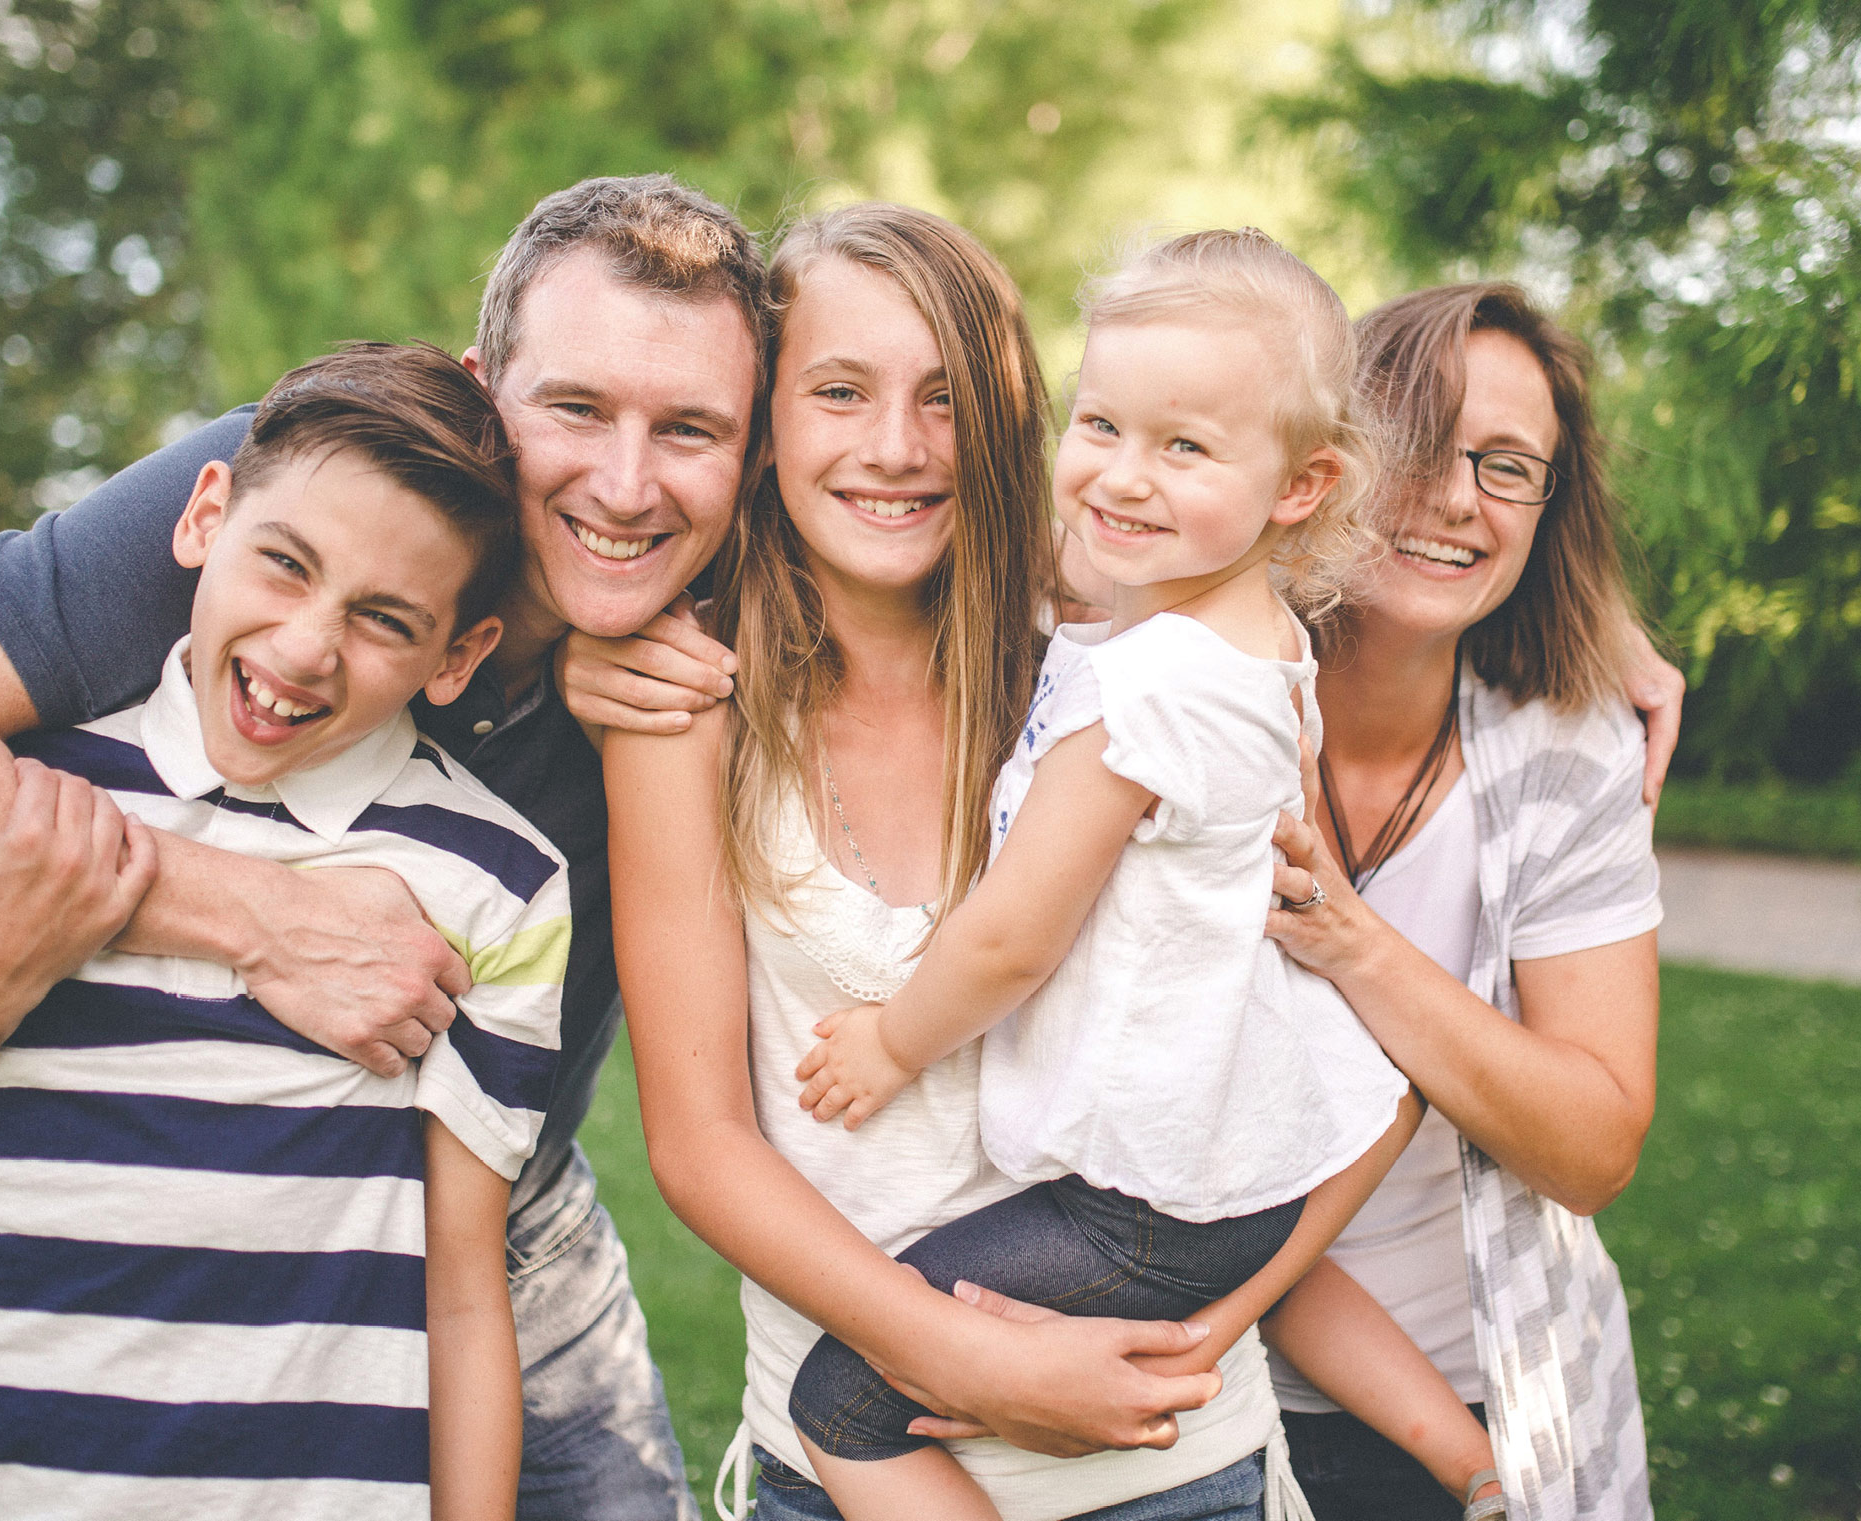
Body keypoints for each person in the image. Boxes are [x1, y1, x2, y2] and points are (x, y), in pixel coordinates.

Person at [0, 174, 759, 1521]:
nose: (626, 480)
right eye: (571, 407)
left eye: (689, 428)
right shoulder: (298, 478)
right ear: (476, 386)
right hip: (88, 1240)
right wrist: (247, 914)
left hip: (487, 1202)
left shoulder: (764, 565)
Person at [601, 207, 1423, 1521]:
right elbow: (697, 1144)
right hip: (837, 1467)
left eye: (943, 398)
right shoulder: (684, 703)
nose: (893, 446)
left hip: (1166, 1460)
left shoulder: (1126, 678)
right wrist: (969, 1360)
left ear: (1002, 425)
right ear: (766, 426)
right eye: (836, 391)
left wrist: (1219, 1324)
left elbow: (1327, 1070)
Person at [0, 344, 566, 1519]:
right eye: (283, 564)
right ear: (203, 516)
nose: (303, 647)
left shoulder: (494, 880)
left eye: (385, 621)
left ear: (459, 657)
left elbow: (459, 1295)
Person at [1250, 283, 1666, 1521]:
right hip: (1193, 1389)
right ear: (1326, 454)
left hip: (1492, 1383)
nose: (1455, 497)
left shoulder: (1564, 750)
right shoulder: (1192, 687)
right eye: (1420, 443)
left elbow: (1593, 1147)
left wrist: (1357, 945)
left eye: (1507, 467)